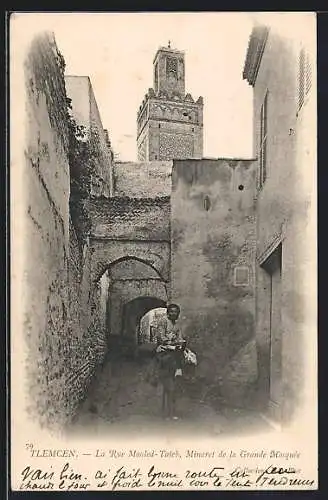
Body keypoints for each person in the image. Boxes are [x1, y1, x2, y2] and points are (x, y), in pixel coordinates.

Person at [150, 304, 186, 419]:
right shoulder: (163, 322)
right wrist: (172, 341)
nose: (174, 314)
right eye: (171, 312)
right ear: (168, 312)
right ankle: (166, 412)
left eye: (176, 312)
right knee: (168, 384)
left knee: (187, 355)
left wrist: (180, 341)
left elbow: (180, 337)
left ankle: (179, 369)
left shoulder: (177, 325)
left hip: (174, 349)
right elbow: (161, 338)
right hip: (164, 350)